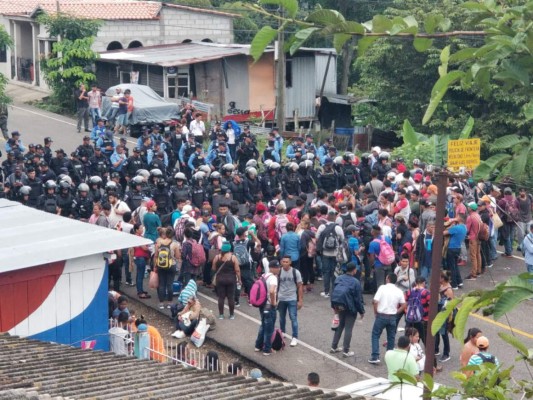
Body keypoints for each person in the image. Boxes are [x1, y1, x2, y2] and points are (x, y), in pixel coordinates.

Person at [330, 262, 365, 357]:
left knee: (340, 325)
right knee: (348, 328)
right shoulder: (356, 282)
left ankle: (334, 346)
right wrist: (362, 311)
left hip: (339, 305)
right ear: (354, 270)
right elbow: (358, 299)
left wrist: (334, 306)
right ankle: (346, 351)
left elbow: (333, 292)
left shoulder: (339, 278)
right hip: (350, 307)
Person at [369, 273, 406, 364]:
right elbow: (404, 304)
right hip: (392, 316)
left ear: (387, 279)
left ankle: (375, 356)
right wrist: (397, 311)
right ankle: (389, 357)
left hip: (382, 315)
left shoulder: (382, 288)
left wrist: (376, 311)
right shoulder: (399, 291)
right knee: (391, 337)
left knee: (375, 335)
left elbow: (375, 301)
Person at [254, 259, 281, 356]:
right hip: (269, 306)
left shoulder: (264, 276)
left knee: (263, 325)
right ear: (272, 268)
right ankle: (267, 349)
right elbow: (272, 291)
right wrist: (273, 302)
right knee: (269, 328)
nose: (279, 269)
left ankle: (258, 346)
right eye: (277, 267)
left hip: (262, 305)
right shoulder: (273, 278)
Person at [316, 209, 344, 298]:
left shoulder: (322, 227)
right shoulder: (338, 227)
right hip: (335, 254)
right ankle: (334, 291)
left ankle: (326, 291)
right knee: (335, 272)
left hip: (325, 253)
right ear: (335, 218)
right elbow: (342, 239)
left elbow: (317, 237)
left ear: (327, 217)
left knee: (326, 272)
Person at [277, 255, 304, 347]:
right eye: (283, 262)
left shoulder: (295, 272)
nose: (285, 263)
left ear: (290, 262)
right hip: (281, 298)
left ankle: (295, 337)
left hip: (292, 298)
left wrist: (300, 300)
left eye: (286, 262)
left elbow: (300, 286)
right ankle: (282, 333)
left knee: (293, 318)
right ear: (281, 262)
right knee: (281, 318)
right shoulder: (279, 272)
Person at [212, 242, 241, 320]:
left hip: (220, 280)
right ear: (229, 249)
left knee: (221, 297)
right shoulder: (233, 257)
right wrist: (239, 280)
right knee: (231, 297)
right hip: (231, 280)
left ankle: (221, 315)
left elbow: (213, 268)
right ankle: (231, 315)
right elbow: (237, 270)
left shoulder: (217, 257)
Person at [154, 227, 179, 309]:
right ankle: (170, 303)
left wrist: (155, 266)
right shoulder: (175, 244)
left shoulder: (159, 242)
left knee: (161, 284)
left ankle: (161, 303)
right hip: (171, 265)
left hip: (161, 265)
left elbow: (156, 256)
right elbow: (178, 256)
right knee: (170, 284)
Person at [444, 215, 467, 289]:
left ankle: (454, 284)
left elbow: (444, 232)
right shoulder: (464, 227)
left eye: (457, 216)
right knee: (455, 266)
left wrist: (450, 221)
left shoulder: (456, 228)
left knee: (451, 267)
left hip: (451, 248)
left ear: (460, 219)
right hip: (458, 248)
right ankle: (459, 281)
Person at [435, 271, 453, 363]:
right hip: (438, 312)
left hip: (444, 314)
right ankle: (436, 349)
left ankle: (446, 353)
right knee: (437, 332)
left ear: (442, 278)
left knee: (443, 333)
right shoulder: (441, 286)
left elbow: (450, 304)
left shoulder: (448, 290)